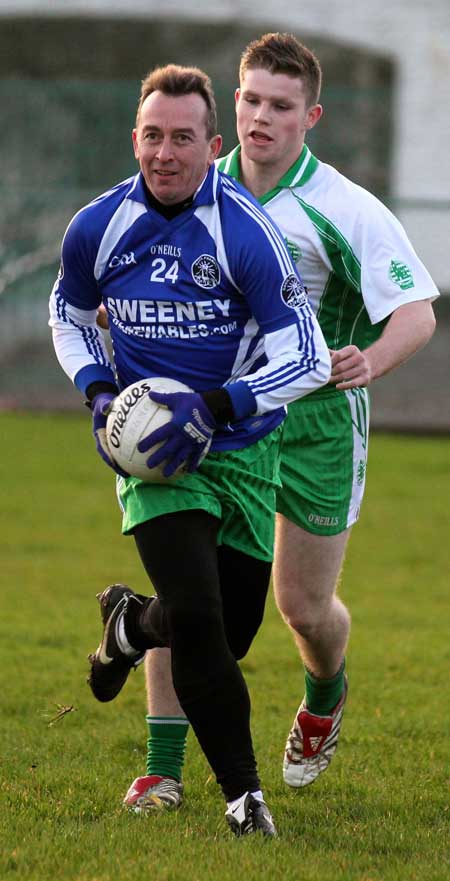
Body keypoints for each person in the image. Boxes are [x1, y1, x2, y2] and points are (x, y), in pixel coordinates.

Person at [124, 34, 438, 812]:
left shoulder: (344, 207)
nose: (262, 117)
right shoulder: (192, 183)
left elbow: (417, 312)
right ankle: (164, 772)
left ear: (311, 116)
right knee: (189, 593)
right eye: (251, 100)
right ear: (234, 103)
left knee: (302, 606)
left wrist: (372, 356)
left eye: (281, 106)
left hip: (316, 425)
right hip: (216, 420)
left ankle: (325, 693)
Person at [49, 63, 331, 837]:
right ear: (133, 138)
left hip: (241, 450)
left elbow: (305, 357)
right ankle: (245, 798)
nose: (164, 152)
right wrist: (101, 392)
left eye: (181, 138)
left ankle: (131, 625)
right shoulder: (97, 225)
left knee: (222, 631)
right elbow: (67, 313)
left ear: (212, 145)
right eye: (151, 135)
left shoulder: (244, 229)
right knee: (202, 618)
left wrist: (217, 403)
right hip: (153, 459)